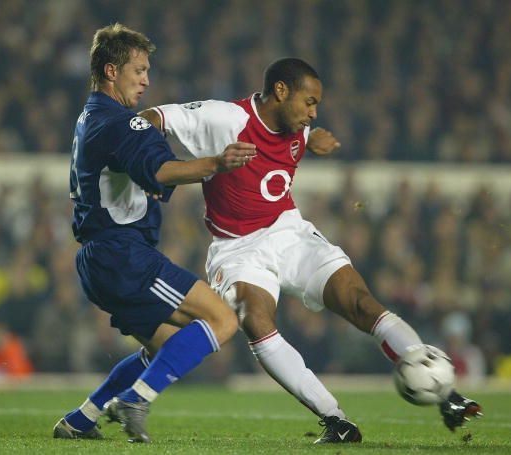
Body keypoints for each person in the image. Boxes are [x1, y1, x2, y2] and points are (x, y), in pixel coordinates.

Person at [135, 57, 482, 443]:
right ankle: (335, 419)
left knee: (360, 301)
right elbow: (150, 118)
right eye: (310, 102)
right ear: (280, 91)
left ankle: (444, 393)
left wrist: (311, 138)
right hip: (237, 250)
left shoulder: (296, 125)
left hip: (290, 233)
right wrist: (147, 167)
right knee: (257, 321)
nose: (314, 113)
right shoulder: (225, 118)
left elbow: (298, 135)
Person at [52, 23, 256, 443]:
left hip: (99, 258)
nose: (146, 80)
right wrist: (217, 163)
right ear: (111, 71)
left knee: (169, 348)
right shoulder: (122, 123)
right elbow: (160, 170)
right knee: (221, 319)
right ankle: (136, 399)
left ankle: (81, 418)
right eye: (139, 70)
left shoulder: (87, 117)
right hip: (124, 254)